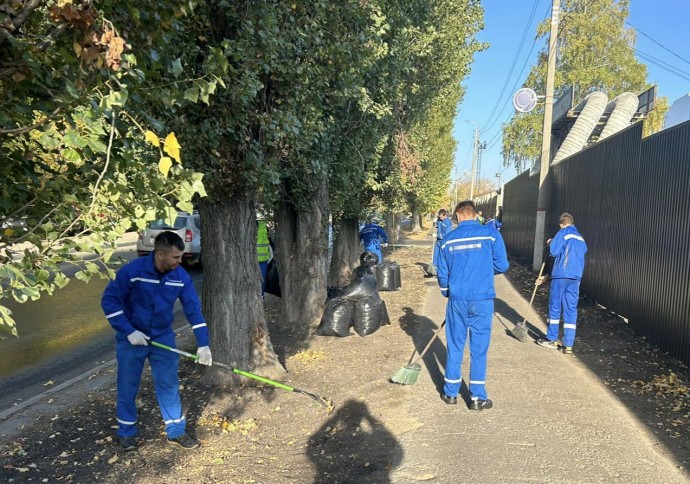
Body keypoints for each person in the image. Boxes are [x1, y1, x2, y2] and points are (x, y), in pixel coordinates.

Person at [101, 231, 212, 452]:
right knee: (127, 386)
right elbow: (110, 302)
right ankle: (127, 432)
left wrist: (203, 343)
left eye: (180, 257)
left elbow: (193, 311)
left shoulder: (180, 277)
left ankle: (176, 431)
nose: (180, 261)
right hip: (132, 339)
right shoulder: (133, 272)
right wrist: (128, 331)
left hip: (163, 337)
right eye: (176, 257)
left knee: (168, 384)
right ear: (160, 254)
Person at [437, 200, 509, 410]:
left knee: (455, 345)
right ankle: (477, 397)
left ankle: (450, 393)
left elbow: (442, 272)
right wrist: (484, 271)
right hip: (482, 298)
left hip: (457, 300)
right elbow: (502, 264)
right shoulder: (490, 234)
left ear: (458, 216)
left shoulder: (448, 240)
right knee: (479, 348)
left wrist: (447, 292)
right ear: (475, 215)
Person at [536, 212, 588, 354]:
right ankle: (568, 345)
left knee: (555, 306)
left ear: (562, 223)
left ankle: (551, 339)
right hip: (575, 277)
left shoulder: (563, 232)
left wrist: (550, 242)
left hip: (561, 276)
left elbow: (553, 251)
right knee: (571, 310)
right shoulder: (581, 238)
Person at [257, 219, 272, 296]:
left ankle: (261, 297)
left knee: (262, 280)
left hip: (263, 260)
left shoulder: (263, 225)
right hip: (261, 260)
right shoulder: (263, 225)